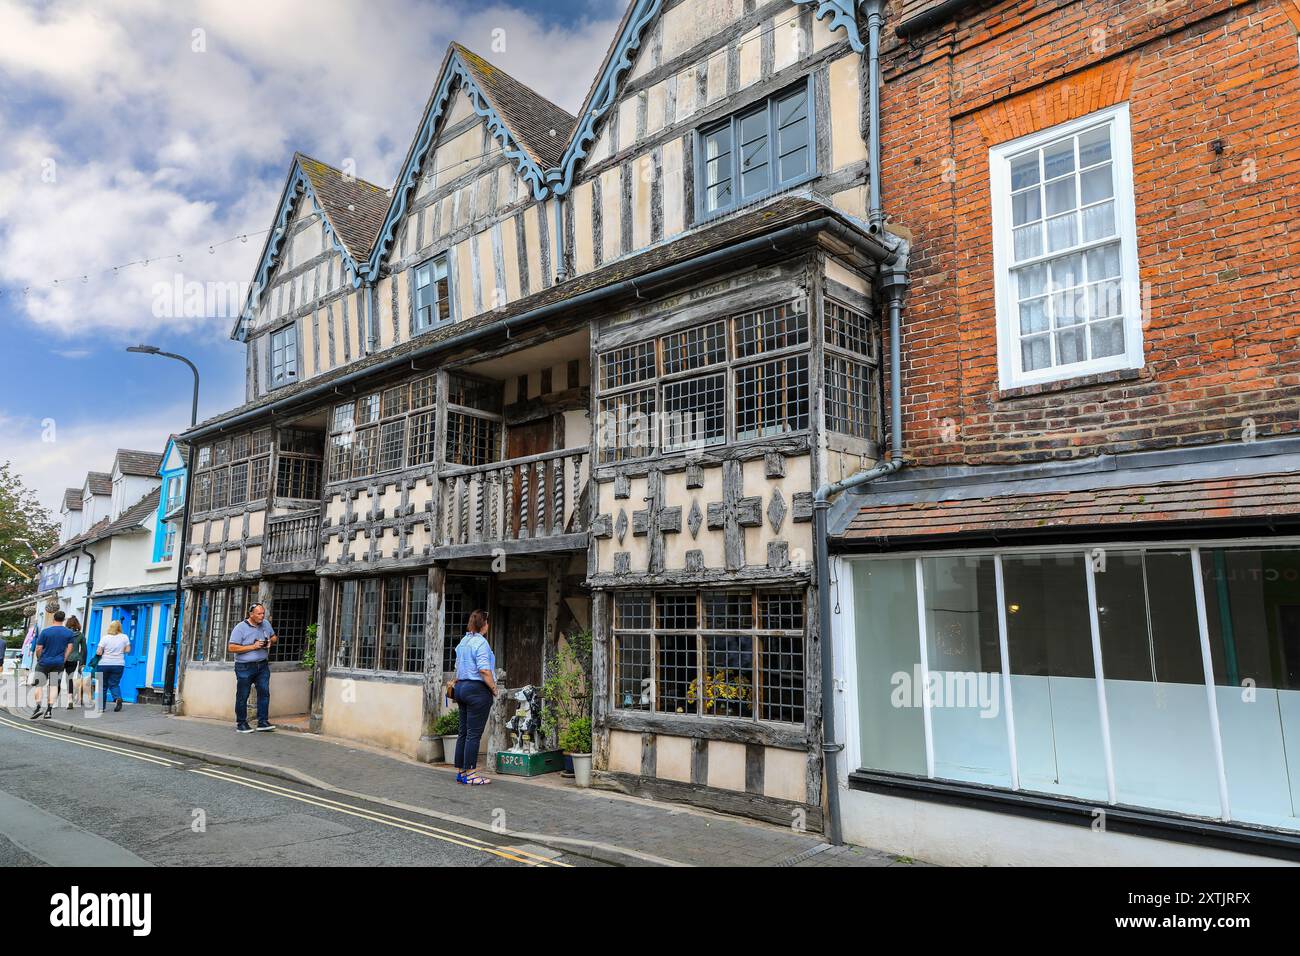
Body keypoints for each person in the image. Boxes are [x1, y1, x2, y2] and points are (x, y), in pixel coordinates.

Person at [452, 609, 496, 785]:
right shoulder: (481, 643)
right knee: (473, 734)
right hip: (476, 689)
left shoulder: (464, 641)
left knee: (463, 732)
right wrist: (493, 688)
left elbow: (457, 666)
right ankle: (471, 773)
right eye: (487, 621)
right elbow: (484, 669)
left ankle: (462, 772)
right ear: (484, 624)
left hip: (461, 687)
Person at [227, 602, 277, 734]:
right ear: (251, 614)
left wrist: (270, 641)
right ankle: (241, 723)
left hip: (262, 665)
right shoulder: (240, 628)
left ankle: (263, 722)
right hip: (244, 666)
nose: (262, 616)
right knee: (243, 695)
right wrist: (253, 646)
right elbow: (231, 648)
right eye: (259, 614)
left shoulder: (266, 624)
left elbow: (274, 637)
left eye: (263, 613)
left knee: (264, 693)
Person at [30, 611, 76, 719]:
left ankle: (38, 707)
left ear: (53, 619)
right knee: (54, 686)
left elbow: (39, 648)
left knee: (39, 685)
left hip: (44, 662)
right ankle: (49, 711)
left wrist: (39, 657)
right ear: (63, 620)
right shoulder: (69, 633)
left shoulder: (45, 632)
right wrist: (64, 658)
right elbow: (70, 648)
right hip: (59, 663)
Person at [96, 620, 131, 713]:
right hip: (118, 664)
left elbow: (98, 652)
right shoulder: (124, 637)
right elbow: (128, 650)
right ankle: (117, 698)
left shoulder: (105, 638)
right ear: (120, 627)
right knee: (114, 684)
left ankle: (101, 708)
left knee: (102, 686)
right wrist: (119, 651)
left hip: (104, 664)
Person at [63, 616, 86, 710]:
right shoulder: (80, 635)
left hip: (62, 658)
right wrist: (82, 661)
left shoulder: (64, 633)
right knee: (69, 679)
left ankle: (53, 700)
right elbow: (84, 650)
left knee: (57, 678)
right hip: (74, 659)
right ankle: (69, 700)